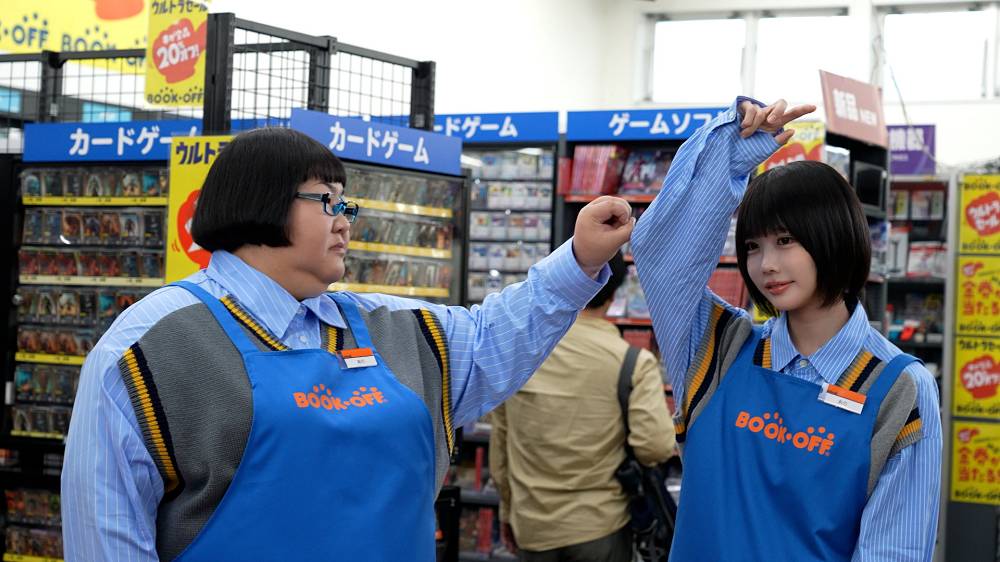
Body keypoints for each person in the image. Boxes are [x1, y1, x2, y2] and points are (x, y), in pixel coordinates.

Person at [61, 127, 635, 561]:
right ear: (259, 199)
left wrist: (581, 258)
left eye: (346, 205)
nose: (344, 221)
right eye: (327, 201)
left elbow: (493, 337)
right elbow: (105, 537)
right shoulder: (143, 349)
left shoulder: (401, 329)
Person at [631, 97, 942, 561]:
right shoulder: (717, 347)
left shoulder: (899, 388)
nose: (766, 265)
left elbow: (892, 550)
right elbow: (659, 255)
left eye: (785, 240)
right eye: (752, 246)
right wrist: (728, 155)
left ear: (834, 235)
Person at [489, 251, 676, 562]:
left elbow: (500, 448)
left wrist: (507, 511)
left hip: (532, 526)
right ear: (614, 293)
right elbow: (654, 447)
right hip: (600, 525)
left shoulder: (522, 353)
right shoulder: (633, 362)